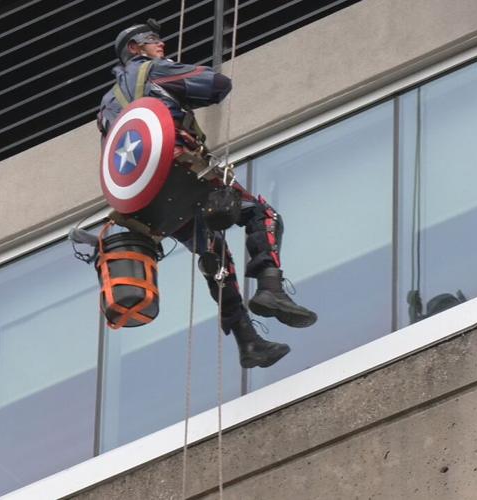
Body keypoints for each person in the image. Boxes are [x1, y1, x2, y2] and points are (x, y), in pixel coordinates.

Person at [97, 19, 317, 369]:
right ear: (135, 50)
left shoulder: (107, 104)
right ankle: (270, 287)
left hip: (149, 203)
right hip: (182, 170)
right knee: (262, 214)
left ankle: (248, 342)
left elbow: (116, 154)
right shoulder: (154, 71)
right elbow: (215, 85)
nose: (161, 44)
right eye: (152, 40)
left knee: (215, 259)